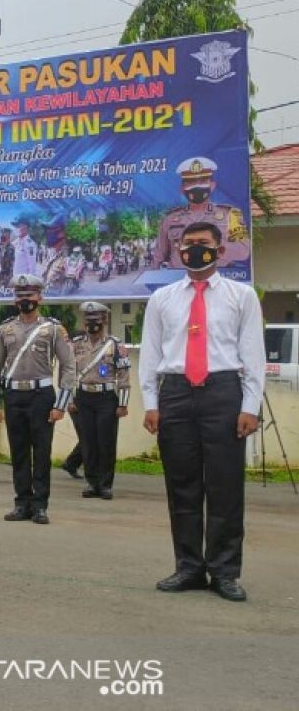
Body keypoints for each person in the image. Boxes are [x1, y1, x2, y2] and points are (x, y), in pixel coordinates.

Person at [139, 221, 264, 602]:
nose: (194, 249)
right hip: (175, 393)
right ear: (178, 249)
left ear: (220, 249)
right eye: (188, 243)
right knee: (182, 486)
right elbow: (150, 355)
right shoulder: (162, 299)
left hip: (223, 392)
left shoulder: (241, 296)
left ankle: (225, 571)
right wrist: (151, 403)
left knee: (225, 486)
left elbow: (253, 355)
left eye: (203, 244)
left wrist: (250, 406)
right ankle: (189, 567)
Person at [0, 274, 77, 524]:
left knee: (41, 451)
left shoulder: (53, 328)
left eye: (29, 295)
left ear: (39, 297)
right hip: (14, 394)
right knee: (18, 452)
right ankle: (21, 502)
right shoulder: (5, 329)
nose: (24, 300)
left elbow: (69, 367)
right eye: (20, 295)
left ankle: (40, 505)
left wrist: (60, 405)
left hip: (42, 396)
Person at [66, 302, 130, 500]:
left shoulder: (115, 345)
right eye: (89, 319)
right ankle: (92, 483)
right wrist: (69, 399)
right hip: (84, 397)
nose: (92, 323)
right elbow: (68, 372)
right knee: (88, 442)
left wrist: (122, 403)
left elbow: (124, 374)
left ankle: (105, 485)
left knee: (106, 442)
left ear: (104, 321)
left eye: (96, 320)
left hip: (106, 399)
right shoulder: (76, 344)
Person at [153, 157, 251, 268]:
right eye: (191, 182)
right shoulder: (170, 219)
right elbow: (158, 257)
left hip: (217, 279)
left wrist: (206, 245)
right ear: (182, 188)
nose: (197, 186)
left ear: (212, 185)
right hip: (178, 280)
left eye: (203, 181)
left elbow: (243, 252)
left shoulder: (231, 215)